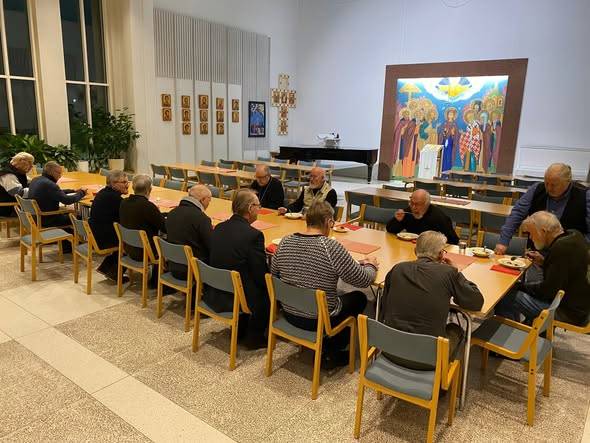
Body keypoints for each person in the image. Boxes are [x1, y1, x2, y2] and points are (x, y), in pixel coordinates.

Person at [272, 201, 378, 368]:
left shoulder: (285, 242)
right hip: (318, 320)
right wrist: (371, 265)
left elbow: (274, 273)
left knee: (331, 292)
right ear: (329, 222)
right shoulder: (331, 247)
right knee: (359, 297)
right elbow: (363, 280)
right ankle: (333, 348)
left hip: (289, 313)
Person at [380, 231, 483, 369]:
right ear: (440, 254)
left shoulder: (397, 269)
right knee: (455, 329)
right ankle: (443, 377)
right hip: (427, 360)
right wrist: (457, 271)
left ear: (415, 251)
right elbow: (476, 302)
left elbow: (384, 305)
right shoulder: (448, 273)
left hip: (390, 350)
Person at [495, 211, 590, 326]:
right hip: (580, 306)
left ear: (543, 231)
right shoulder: (574, 235)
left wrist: (521, 286)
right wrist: (543, 262)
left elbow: (547, 291)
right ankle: (525, 326)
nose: (531, 238)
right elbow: (565, 271)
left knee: (506, 295)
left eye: (531, 233)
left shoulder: (561, 248)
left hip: (568, 312)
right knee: (517, 289)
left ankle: (514, 330)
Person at [203, 189, 269, 349]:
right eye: (258, 206)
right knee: (267, 288)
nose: (259, 210)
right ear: (250, 208)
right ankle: (255, 337)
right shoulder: (254, 235)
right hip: (237, 295)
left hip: (214, 291)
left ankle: (242, 327)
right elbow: (260, 273)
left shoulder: (219, 227)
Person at [495, 163, 590, 254]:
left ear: (568, 182)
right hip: (535, 251)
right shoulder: (537, 188)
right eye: (546, 183)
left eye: (554, 185)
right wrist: (503, 241)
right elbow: (517, 214)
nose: (549, 188)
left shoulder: (584, 196)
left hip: (566, 255)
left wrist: (575, 249)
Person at [119, 174, 166, 288]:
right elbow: (164, 228)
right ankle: (157, 281)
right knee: (166, 240)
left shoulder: (124, 202)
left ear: (133, 188)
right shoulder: (148, 206)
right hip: (146, 252)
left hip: (128, 248)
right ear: (149, 190)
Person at [165, 184, 213, 279]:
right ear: (203, 200)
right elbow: (211, 245)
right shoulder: (202, 219)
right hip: (193, 269)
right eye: (209, 200)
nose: (209, 203)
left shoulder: (172, 213)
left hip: (172, 265)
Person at [89, 170, 129, 281]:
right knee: (134, 240)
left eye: (128, 182)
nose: (127, 185)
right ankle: (114, 273)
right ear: (113, 183)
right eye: (124, 182)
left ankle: (106, 268)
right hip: (104, 239)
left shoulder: (103, 193)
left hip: (96, 235)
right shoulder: (115, 199)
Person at [386, 189, 460, 244]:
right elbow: (390, 230)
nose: (413, 207)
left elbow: (453, 241)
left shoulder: (438, 217)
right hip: (410, 247)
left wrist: (434, 242)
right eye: (411, 203)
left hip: (429, 251)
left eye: (417, 204)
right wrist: (397, 220)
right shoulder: (408, 212)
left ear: (426, 204)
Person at [27, 161, 87, 227]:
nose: (60, 176)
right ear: (52, 172)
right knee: (80, 217)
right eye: (59, 173)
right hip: (48, 219)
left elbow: (54, 192)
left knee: (71, 211)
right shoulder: (49, 184)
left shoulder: (36, 179)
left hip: (35, 217)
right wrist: (82, 193)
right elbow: (67, 200)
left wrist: (72, 190)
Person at [0, 152, 34, 216]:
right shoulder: (8, 175)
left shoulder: (18, 173)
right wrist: (35, 190)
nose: (32, 166)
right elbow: (18, 193)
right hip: (7, 209)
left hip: (15, 206)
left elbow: (31, 182)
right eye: (30, 162)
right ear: (21, 161)